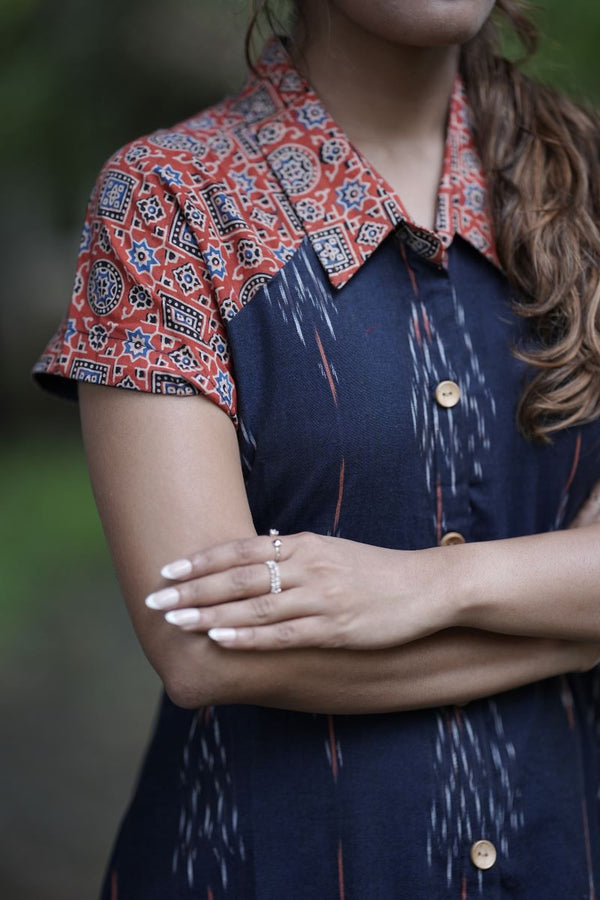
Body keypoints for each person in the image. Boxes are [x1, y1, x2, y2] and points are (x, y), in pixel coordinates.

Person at [31, 0, 600, 896]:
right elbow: (203, 648)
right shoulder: (165, 200)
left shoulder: (590, 183)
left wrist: (434, 584)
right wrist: (573, 624)